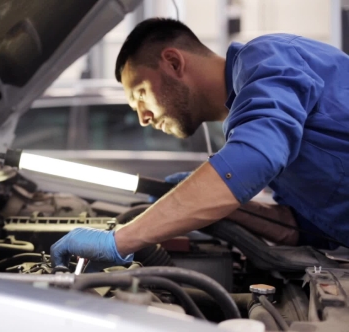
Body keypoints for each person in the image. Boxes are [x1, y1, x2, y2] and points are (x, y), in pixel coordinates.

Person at [50, 18, 349, 268]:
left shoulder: (269, 58)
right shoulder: (251, 117)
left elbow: (254, 160)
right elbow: (298, 228)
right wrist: (222, 207)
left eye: (140, 94)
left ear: (173, 62)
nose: (142, 118)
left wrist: (120, 240)